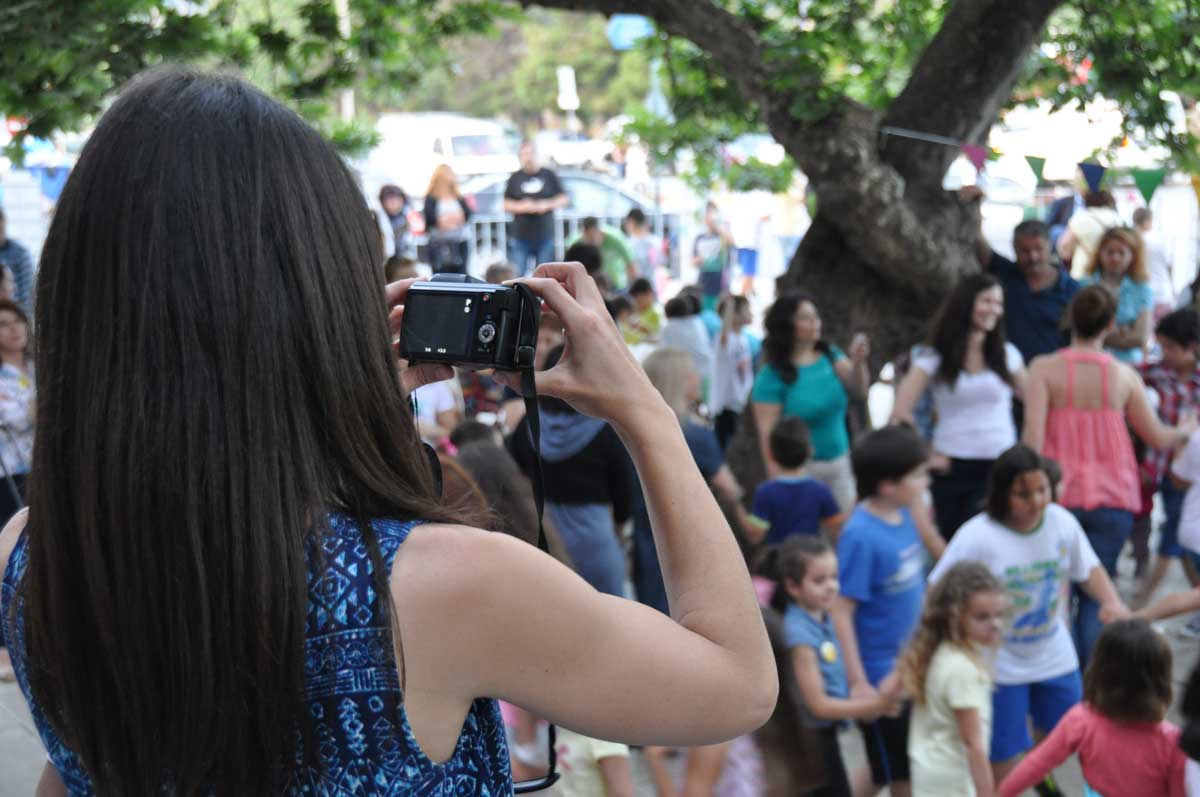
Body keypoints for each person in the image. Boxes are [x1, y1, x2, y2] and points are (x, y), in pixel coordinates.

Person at [0, 68, 777, 796]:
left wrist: (340, 406)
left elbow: (76, 770)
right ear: (319, 297)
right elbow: (737, 683)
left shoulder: (33, 557)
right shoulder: (443, 583)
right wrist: (645, 410)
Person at [929, 444, 1128, 788]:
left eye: (1042, 490)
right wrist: (936, 645)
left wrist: (1111, 601)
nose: (1036, 501)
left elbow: (1089, 568)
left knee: (1071, 730)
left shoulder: (1061, 522)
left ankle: (1036, 772)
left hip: (1053, 653)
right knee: (1002, 753)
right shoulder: (978, 536)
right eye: (1023, 494)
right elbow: (937, 589)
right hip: (998, 664)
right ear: (1002, 494)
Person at [1023, 284, 1194, 663]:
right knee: (1098, 596)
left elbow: (1032, 439)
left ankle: (1061, 675)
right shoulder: (1123, 375)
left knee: (1056, 593)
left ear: (1071, 318)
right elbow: (1156, 436)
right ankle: (1094, 678)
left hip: (1057, 496)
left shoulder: (1043, 369)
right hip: (1114, 496)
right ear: (1111, 324)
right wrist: (1184, 430)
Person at [831, 425, 938, 797]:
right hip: (881, 676)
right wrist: (859, 682)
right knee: (901, 775)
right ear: (888, 485)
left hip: (911, 664)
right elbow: (841, 611)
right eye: (918, 475)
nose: (925, 482)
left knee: (885, 768)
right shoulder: (860, 535)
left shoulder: (907, 513)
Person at [762, 536, 902, 797]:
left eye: (834, 577)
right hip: (812, 738)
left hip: (827, 732)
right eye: (819, 580)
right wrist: (877, 705)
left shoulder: (823, 616)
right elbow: (819, 705)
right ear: (793, 586)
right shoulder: (799, 636)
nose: (831, 586)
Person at [891, 273, 1027, 540]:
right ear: (967, 303)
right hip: (951, 465)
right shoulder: (934, 356)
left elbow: (1036, 402)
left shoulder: (1008, 354)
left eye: (998, 303)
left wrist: (1028, 449)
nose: (994, 309)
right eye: (986, 301)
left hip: (1000, 462)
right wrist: (926, 454)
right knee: (956, 540)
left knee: (995, 540)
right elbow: (900, 411)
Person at [997, 619, 1186, 797]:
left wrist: (999, 793)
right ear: (1162, 681)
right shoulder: (1174, 743)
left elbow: (1036, 764)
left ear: (1098, 671)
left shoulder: (1081, 721)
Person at [632, 347, 754, 614]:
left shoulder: (636, 428)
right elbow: (728, 487)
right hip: (686, 533)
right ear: (680, 380)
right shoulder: (695, 434)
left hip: (645, 530)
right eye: (692, 373)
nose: (698, 378)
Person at [508, 344, 635, 597]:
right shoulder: (607, 430)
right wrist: (620, 528)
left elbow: (515, 475)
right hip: (595, 535)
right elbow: (624, 490)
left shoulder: (528, 423)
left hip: (543, 531)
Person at [751, 292, 871, 512]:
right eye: (806, 318)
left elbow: (859, 390)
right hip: (800, 472)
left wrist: (858, 363)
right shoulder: (771, 376)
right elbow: (767, 435)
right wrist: (779, 483)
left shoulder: (830, 355)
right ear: (787, 325)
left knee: (844, 526)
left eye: (816, 316)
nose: (815, 322)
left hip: (839, 463)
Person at [899, 561, 1008, 797]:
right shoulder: (963, 670)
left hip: (929, 773)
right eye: (982, 617)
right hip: (953, 781)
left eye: (999, 615)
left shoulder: (940, 651)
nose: (995, 625)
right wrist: (986, 793)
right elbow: (973, 745)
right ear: (954, 617)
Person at [1134, 308, 1200, 607]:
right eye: (1162, 346)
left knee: (1173, 536)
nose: (1166, 354)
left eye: (1171, 347)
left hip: (1186, 474)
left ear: (1192, 347)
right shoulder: (1152, 373)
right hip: (1152, 467)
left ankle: (1143, 601)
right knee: (1177, 538)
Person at [971, 205, 1081, 363]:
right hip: (1007, 370)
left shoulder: (1071, 289)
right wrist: (975, 203)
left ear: (1050, 247)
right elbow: (979, 242)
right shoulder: (1004, 273)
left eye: (1038, 249)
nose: (1033, 257)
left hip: (1053, 372)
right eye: (1025, 250)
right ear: (1014, 249)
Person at [748, 418, 843, 546]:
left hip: (779, 557)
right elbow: (836, 528)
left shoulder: (765, 492)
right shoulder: (820, 490)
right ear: (810, 451)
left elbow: (756, 535)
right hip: (811, 556)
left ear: (770, 454)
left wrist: (737, 509)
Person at [1080, 225, 1153, 363]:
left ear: (1132, 256)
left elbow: (1140, 337)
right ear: (1100, 253)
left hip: (1128, 364)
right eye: (1110, 252)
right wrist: (1124, 331)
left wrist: (1098, 334)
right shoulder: (1083, 286)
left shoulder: (1142, 289)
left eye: (1122, 253)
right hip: (1090, 362)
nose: (1115, 258)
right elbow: (1078, 331)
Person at [504, 140, 568, 275]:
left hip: (544, 234)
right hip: (521, 235)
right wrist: (523, 207)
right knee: (517, 275)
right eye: (524, 154)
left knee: (544, 275)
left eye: (530, 153)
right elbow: (506, 204)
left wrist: (545, 205)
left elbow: (563, 199)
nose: (528, 157)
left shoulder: (548, 174)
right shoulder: (515, 177)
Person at [711, 294, 755, 450]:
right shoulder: (725, 338)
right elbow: (725, 337)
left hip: (739, 403)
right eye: (746, 310)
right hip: (727, 406)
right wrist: (729, 307)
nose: (751, 313)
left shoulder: (742, 338)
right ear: (733, 316)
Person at [1057, 190, 1122, 278]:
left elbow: (1065, 247)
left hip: (1083, 271)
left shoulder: (1080, 217)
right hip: (1109, 273)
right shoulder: (1116, 218)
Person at [422, 164, 473, 275]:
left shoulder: (458, 196)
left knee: (461, 275)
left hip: (459, 243)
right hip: (439, 245)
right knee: (441, 276)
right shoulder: (431, 198)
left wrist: (447, 220)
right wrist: (453, 219)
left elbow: (467, 215)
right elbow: (432, 220)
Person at [570, 216, 636, 291]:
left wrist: (632, 287)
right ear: (584, 234)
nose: (592, 241)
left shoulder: (616, 239)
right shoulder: (577, 244)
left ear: (600, 231)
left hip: (616, 286)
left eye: (593, 236)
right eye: (589, 238)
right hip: (590, 286)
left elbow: (630, 263)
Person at [1133, 207, 1176, 319]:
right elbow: (1170, 266)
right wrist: (1173, 289)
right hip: (1163, 295)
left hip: (1139, 297)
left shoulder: (1132, 242)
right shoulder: (1161, 240)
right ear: (1147, 221)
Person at [694, 201, 733, 312]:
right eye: (709, 212)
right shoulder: (700, 238)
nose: (711, 216)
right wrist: (699, 260)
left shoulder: (722, 235)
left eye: (713, 212)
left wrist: (718, 227)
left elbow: (731, 241)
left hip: (720, 282)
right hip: (703, 281)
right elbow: (693, 260)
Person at [660, 295, 713, 377]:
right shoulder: (697, 321)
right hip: (707, 368)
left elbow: (663, 351)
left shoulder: (670, 327)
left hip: (687, 372)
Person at [0, 208, 34, 315]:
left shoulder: (20, 254)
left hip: (15, 312)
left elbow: (27, 292)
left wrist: (18, 316)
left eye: (1, 230)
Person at [623, 207, 661, 282]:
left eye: (626, 223)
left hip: (635, 285)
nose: (625, 226)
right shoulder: (656, 242)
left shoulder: (628, 244)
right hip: (650, 284)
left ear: (631, 222)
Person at [623, 277, 663, 345]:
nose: (636, 302)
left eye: (640, 300)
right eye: (635, 299)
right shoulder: (633, 313)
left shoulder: (657, 312)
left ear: (649, 293)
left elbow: (659, 336)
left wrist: (644, 329)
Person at [377, 183, 412, 260]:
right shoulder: (379, 220)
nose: (393, 203)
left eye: (397, 199)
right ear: (382, 202)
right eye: (389, 200)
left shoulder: (408, 217)